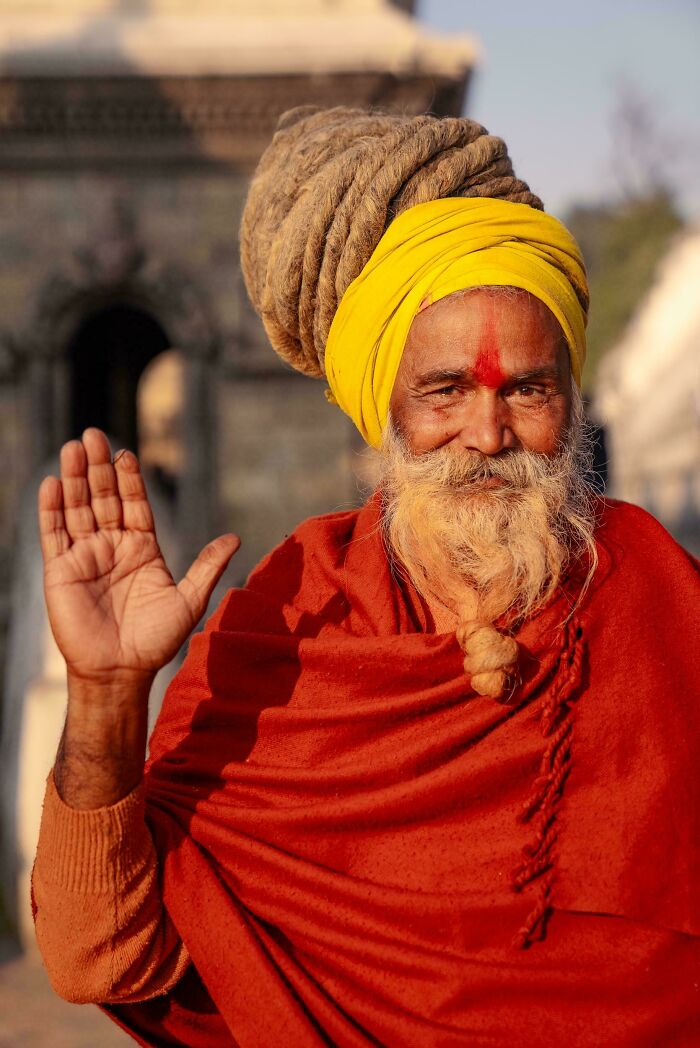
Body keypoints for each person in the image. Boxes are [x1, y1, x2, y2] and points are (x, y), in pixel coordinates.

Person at [32, 108, 700, 1047]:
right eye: (445, 391)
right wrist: (106, 695)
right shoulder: (295, 615)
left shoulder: (653, 595)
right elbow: (95, 954)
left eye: (528, 390)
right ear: (382, 409)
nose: (488, 433)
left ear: (572, 404)